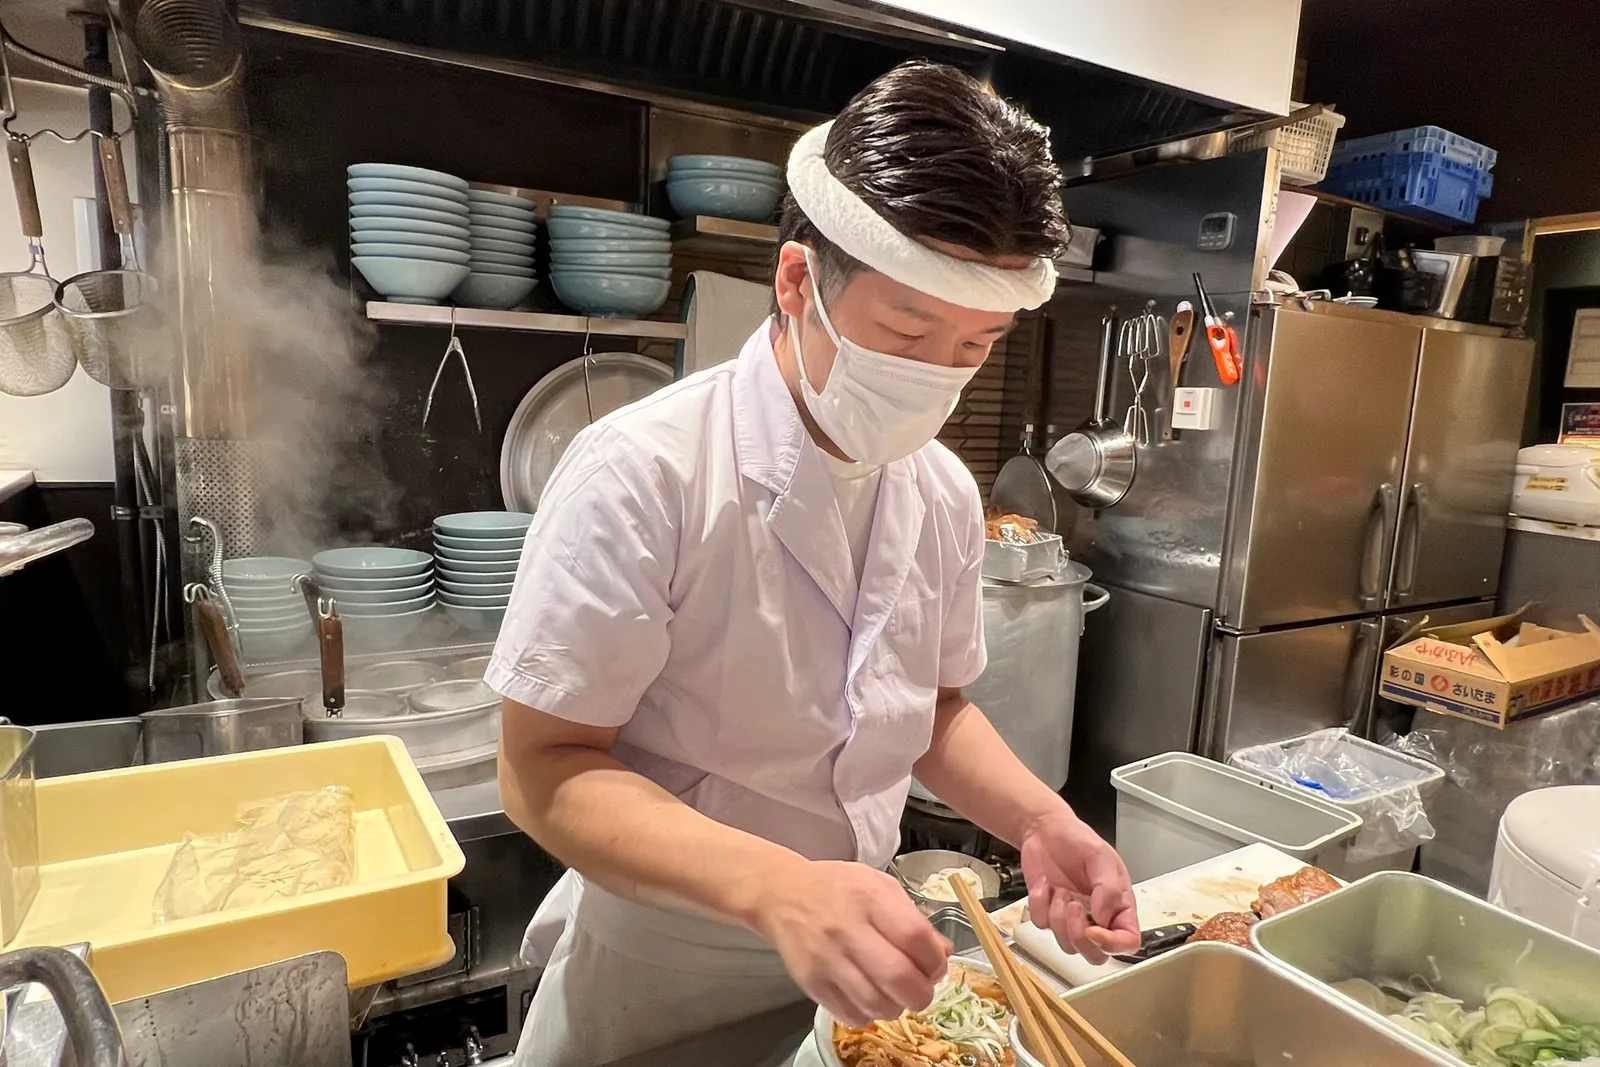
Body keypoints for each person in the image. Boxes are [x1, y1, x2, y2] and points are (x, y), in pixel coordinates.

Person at [487, 60, 1139, 1067]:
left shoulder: (940, 493)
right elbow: (543, 768)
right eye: (907, 331)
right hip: (664, 965)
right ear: (798, 282)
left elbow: (928, 707)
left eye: (974, 344)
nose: (937, 376)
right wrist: (779, 888)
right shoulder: (644, 471)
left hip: (859, 969)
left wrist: (1040, 819)